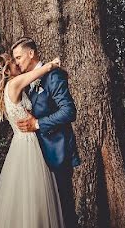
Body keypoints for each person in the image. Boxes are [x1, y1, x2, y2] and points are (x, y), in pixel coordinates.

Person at [0, 50, 65, 228]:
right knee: (34, 194)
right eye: (13, 62)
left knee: (23, 195)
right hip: (28, 143)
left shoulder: (7, 90)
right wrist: (53, 64)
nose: (17, 64)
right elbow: (38, 72)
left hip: (20, 143)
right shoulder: (13, 84)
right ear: (6, 71)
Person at [11, 37, 80, 228]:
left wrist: (38, 124)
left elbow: (68, 111)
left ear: (31, 53)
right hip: (36, 157)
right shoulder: (26, 81)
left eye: (18, 57)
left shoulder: (53, 76)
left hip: (57, 153)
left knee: (64, 209)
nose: (16, 63)